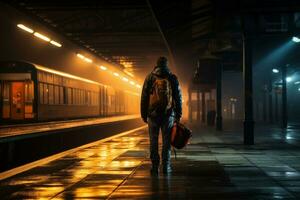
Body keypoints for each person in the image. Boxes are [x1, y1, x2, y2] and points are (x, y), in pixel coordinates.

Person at [141, 56, 182, 174]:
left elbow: (144, 97)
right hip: (168, 115)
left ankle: (154, 166)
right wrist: (178, 114)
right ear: (167, 65)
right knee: (166, 141)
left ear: (156, 64)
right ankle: (166, 166)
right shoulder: (172, 77)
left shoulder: (149, 77)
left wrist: (144, 114)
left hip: (152, 115)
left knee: (153, 140)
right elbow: (178, 97)